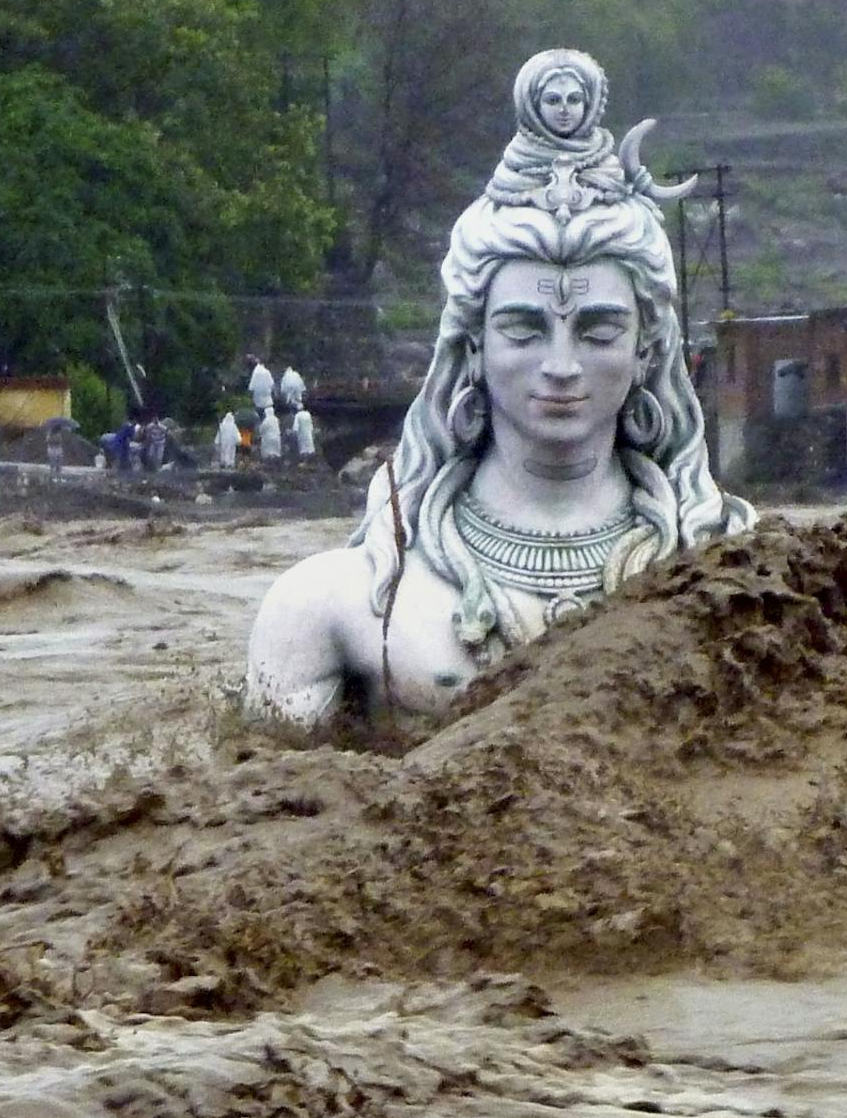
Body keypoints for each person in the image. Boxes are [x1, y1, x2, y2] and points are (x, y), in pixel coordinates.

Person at [245, 48, 751, 725]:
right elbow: (261, 811)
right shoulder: (335, 604)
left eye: (599, 333)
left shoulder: (735, 569)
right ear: (474, 345)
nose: (562, 364)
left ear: (647, 347)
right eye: (524, 331)